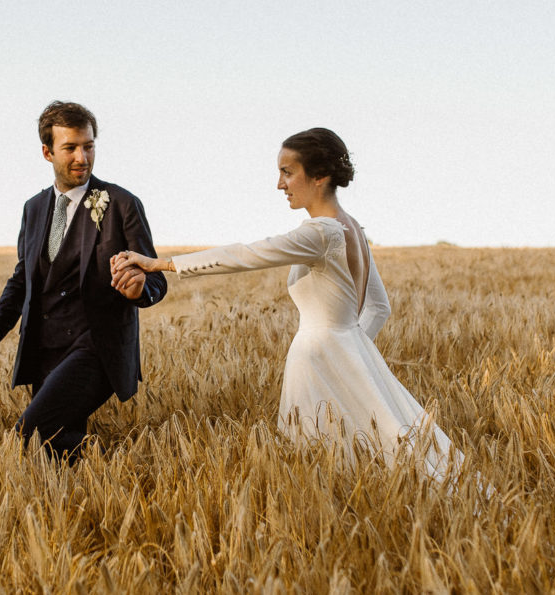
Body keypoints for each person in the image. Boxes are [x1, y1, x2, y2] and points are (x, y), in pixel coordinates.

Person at [111, 128, 459, 480]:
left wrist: (162, 264)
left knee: (322, 462)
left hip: (314, 356)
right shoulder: (353, 228)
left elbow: (246, 255)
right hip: (349, 350)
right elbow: (379, 308)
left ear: (319, 176)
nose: (280, 184)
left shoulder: (320, 232)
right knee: (375, 451)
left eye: (287, 172)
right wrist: (352, 351)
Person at [0, 101, 166, 462]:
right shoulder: (34, 208)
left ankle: (127, 463)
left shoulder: (121, 203)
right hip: (44, 351)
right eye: (70, 147)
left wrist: (140, 289)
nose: (82, 157)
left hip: (96, 350)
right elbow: (22, 281)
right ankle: (106, 484)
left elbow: (155, 281)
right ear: (47, 152)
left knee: (27, 436)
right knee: (54, 454)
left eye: (88, 146)